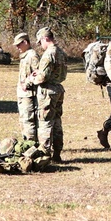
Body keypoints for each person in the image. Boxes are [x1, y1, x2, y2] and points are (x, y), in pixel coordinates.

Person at [29, 27, 67, 162]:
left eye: (40, 42)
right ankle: (57, 153)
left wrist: (32, 79)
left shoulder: (48, 54)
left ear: (46, 39)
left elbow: (43, 77)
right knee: (57, 121)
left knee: (45, 122)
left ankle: (44, 155)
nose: (40, 45)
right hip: (58, 89)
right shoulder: (60, 52)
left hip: (47, 91)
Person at [13, 32, 39, 142]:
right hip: (23, 95)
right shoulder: (25, 56)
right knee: (23, 120)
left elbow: (38, 73)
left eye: (19, 44)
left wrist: (27, 83)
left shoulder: (32, 55)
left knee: (29, 121)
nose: (17, 47)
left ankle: (31, 144)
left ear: (25, 42)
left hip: (29, 94)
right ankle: (27, 143)